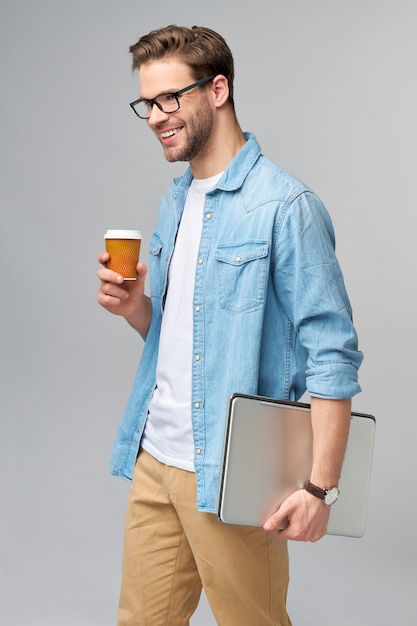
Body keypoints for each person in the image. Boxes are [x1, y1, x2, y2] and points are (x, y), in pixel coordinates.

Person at [97, 24, 363, 626]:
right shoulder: (175, 200)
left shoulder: (285, 207)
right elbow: (186, 341)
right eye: (147, 103)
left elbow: (332, 356)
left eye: (171, 98)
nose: (156, 117)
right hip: (154, 462)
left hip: (230, 474)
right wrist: (136, 306)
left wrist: (321, 490)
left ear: (217, 90)